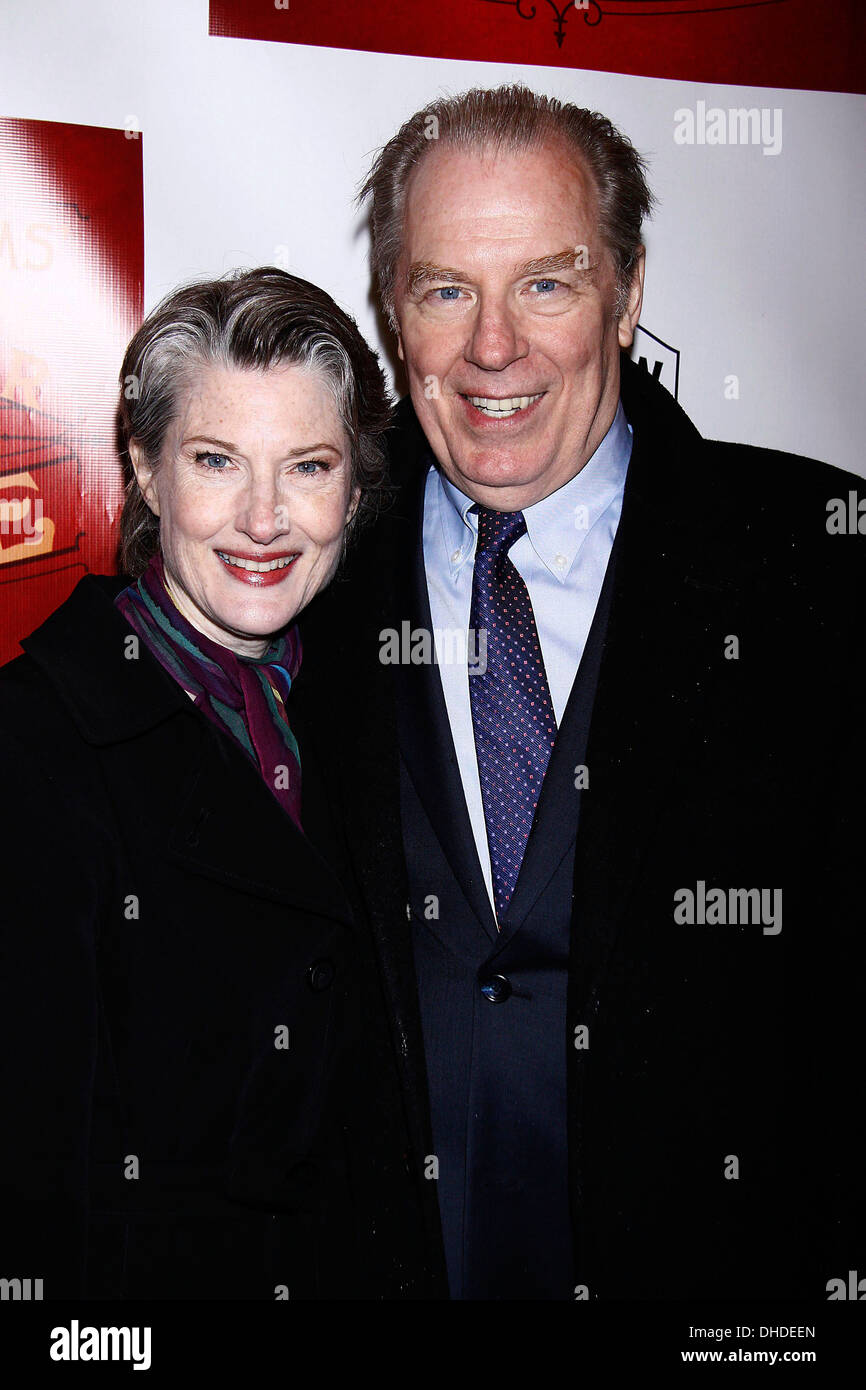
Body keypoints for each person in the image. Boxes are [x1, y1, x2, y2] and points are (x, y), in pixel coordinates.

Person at [300, 84, 865, 1300]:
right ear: (393, 311)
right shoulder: (301, 570)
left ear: (626, 292)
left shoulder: (817, 567)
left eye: (545, 284)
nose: (492, 346)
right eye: (446, 288)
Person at [0, 267, 434, 1300]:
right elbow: (32, 1188)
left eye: (308, 467)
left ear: (356, 490)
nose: (262, 518)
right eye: (214, 460)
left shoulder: (374, 714)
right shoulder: (33, 741)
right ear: (145, 471)